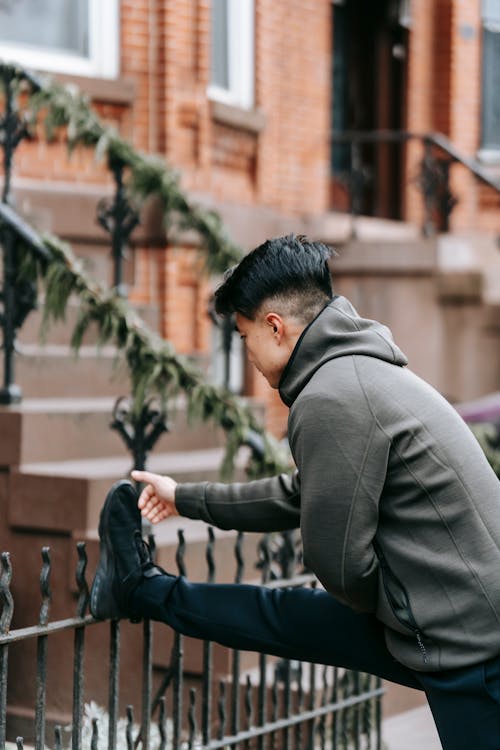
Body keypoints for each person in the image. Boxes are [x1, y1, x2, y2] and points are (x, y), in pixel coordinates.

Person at [90, 234, 500, 750]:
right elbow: (301, 494)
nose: (250, 358)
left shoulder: (331, 396)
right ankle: (140, 587)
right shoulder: (362, 370)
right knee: (283, 618)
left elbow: (339, 567)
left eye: (243, 338)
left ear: (275, 328)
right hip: (467, 621)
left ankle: (140, 589)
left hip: (471, 650)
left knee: (282, 618)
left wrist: (401, 614)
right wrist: (185, 498)